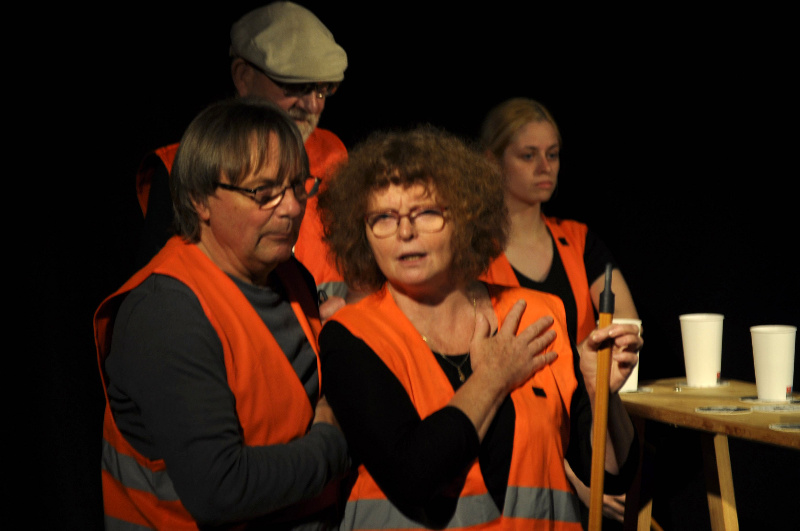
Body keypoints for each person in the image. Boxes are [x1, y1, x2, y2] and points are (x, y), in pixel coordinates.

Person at [315, 126, 641, 529]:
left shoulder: (537, 314)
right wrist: (493, 377)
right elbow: (413, 476)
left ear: (467, 218)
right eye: (383, 218)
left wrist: (600, 391)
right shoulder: (351, 336)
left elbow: (610, 475)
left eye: (426, 213)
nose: (404, 233)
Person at [94, 98, 349, 530]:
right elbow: (222, 489)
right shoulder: (167, 313)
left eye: (297, 186)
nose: (291, 207)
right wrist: (335, 444)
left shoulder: (289, 276)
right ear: (199, 200)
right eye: (264, 193)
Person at [479, 97, 641, 527]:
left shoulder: (578, 240)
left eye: (552, 155)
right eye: (528, 155)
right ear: (492, 161)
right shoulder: (472, 250)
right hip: (518, 435)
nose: (544, 167)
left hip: (587, 418)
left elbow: (628, 326)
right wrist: (574, 480)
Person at [134, 1, 349, 306]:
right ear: (243, 76)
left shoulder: (333, 154)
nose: (313, 105)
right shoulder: (186, 168)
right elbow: (160, 297)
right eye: (294, 87)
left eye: (323, 89)